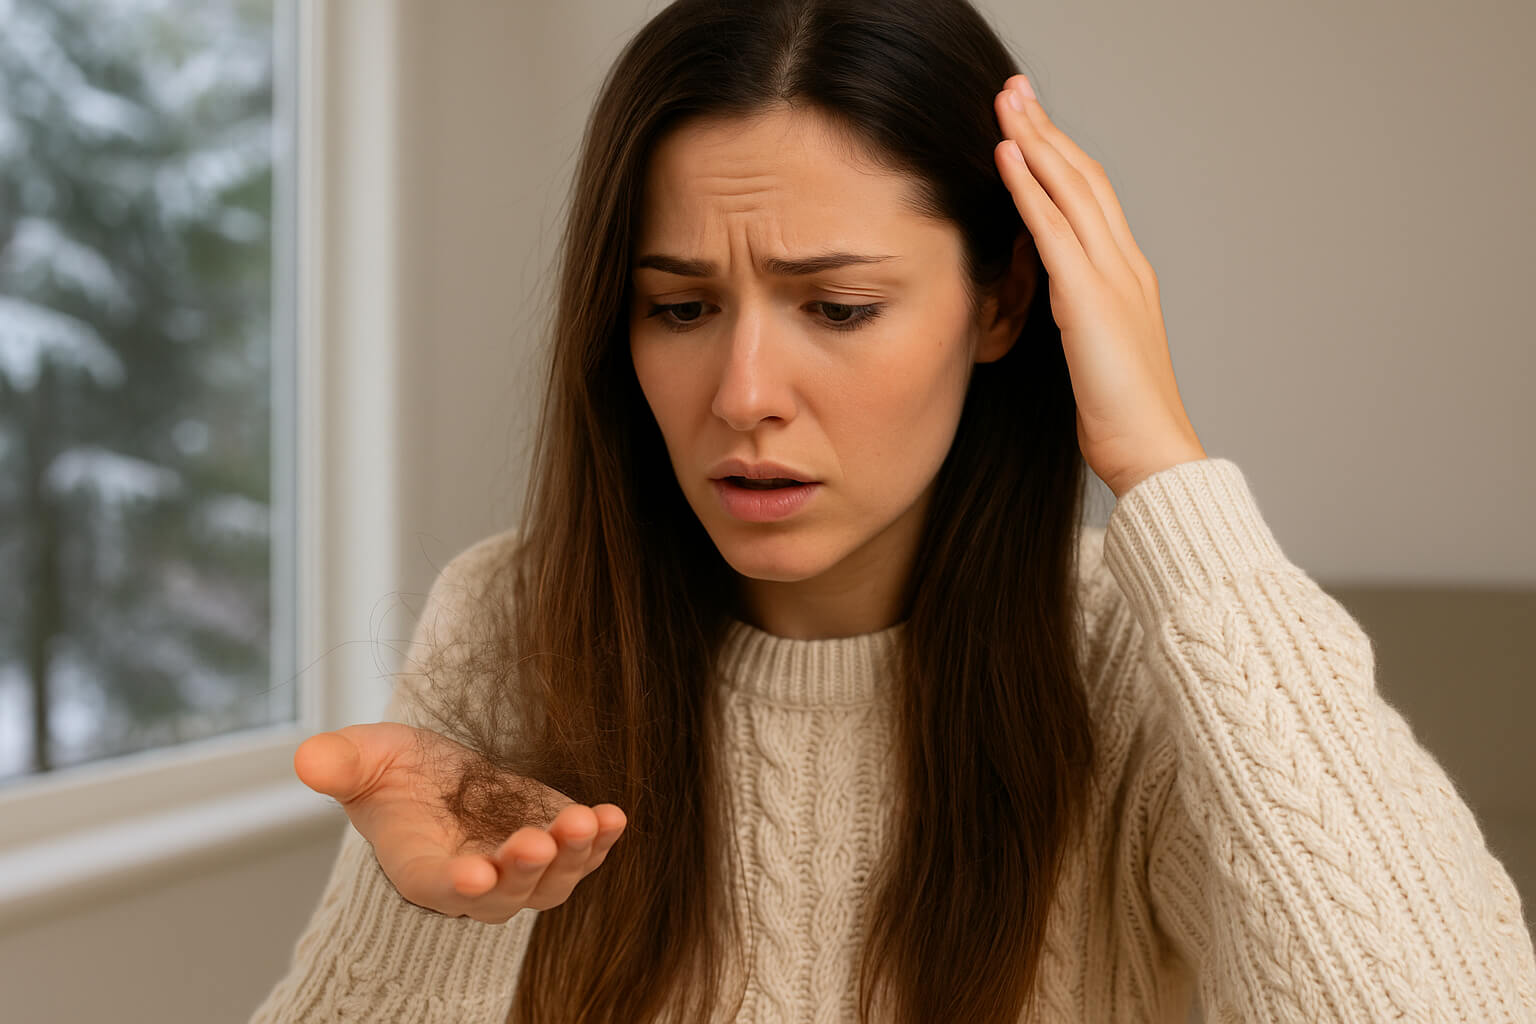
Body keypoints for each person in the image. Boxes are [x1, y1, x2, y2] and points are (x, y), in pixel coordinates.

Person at [249, 0, 1536, 1021]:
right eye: (681, 308)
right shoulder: (513, 614)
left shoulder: (1129, 658)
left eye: (840, 308)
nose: (745, 395)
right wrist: (429, 922)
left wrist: (1164, 470)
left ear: (1000, 305)